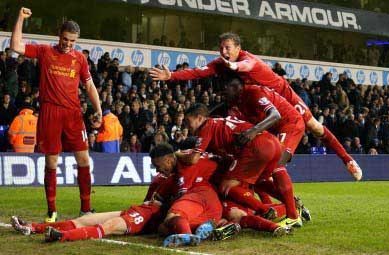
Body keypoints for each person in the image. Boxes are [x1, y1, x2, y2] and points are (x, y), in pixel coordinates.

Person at [149, 32, 362, 181]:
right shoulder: (221, 64)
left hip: (282, 95)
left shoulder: (247, 60)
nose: (223, 51)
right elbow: (198, 72)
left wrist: (233, 65)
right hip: (254, 103)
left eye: (228, 48)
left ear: (238, 48)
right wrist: (172, 76)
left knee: (315, 128)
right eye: (221, 48)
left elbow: (245, 65)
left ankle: (347, 160)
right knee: (250, 146)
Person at [11, 7, 102, 222]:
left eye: (72, 41)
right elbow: (15, 46)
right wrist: (20, 18)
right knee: (51, 162)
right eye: (65, 39)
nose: (68, 44)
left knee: (84, 160)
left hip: (73, 115)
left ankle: (86, 209)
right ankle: (52, 211)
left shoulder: (79, 59)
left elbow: (89, 86)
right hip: (50, 112)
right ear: (58, 36)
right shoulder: (45, 52)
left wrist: (98, 108)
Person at [10, 161, 179, 242]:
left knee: (109, 226)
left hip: (147, 218)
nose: (158, 170)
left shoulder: (182, 180)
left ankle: (62, 236)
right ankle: (33, 227)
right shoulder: (161, 179)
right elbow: (147, 201)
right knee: (83, 220)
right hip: (139, 211)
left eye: (159, 165)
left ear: (169, 159)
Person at [178, 103, 285, 224]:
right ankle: (290, 205)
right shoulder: (216, 126)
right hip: (270, 142)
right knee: (258, 182)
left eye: (188, 121)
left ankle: (265, 209)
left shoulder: (206, 127)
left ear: (199, 118)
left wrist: (177, 154)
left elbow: (193, 159)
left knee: (227, 186)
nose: (186, 126)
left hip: (256, 147)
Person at [224, 75, 305, 224]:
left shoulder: (254, 93)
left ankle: (293, 216)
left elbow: (275, 115)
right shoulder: (239, 102)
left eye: (226, 88)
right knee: (259, 174)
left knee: (277, 166)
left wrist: (252, 131)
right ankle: (285, 207)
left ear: (236, 87)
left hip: (289, 123)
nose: (224, 92)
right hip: (274, 130)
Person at [151, 143, 222, 247]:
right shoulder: (186, 156)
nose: (157, 170)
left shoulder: (184, 169)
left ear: (168, 161)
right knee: (163, 228)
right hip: (214, 207)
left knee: (171, 218)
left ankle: (188, 236)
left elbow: (181, 199)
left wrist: (164, 205)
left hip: (199, 195)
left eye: (158, 166)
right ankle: (208, 226)